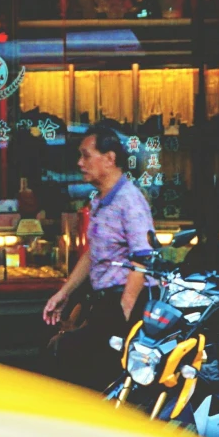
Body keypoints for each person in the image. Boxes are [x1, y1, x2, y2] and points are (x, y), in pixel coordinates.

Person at [40, 124, 157, 385]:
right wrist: (64, 293)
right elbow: (94, 253)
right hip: (103, 302)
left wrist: (126, 309)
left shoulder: (130, 200)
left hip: (123, 303)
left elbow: (144, 258)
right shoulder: (101, 201)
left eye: (86, 155)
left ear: (110, 158)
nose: (80, 163)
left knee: (84, 368)